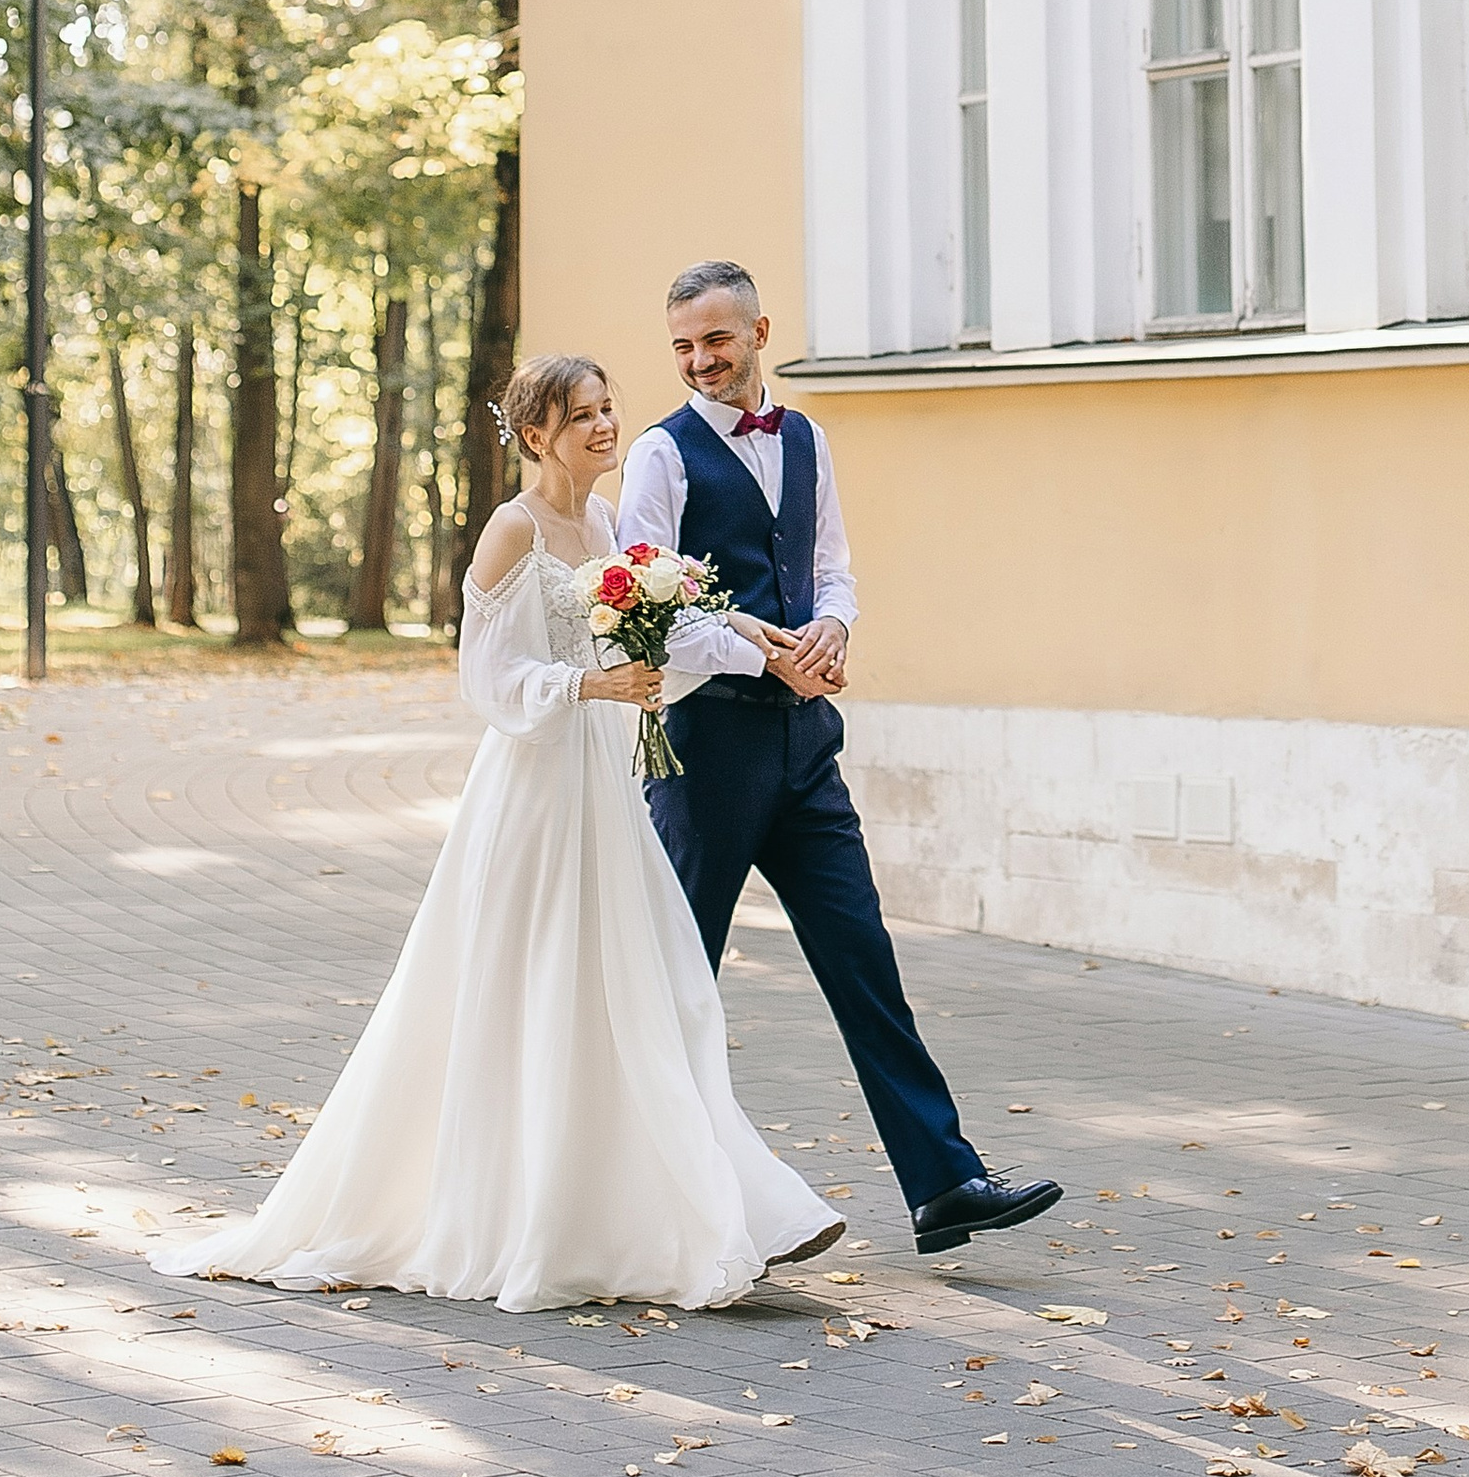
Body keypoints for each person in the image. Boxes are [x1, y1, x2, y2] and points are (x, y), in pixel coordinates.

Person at [147, 353, 838, 1315]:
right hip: (534, 790)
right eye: (582, 416)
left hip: (602, 779)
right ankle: (528, 1218)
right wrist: (588, 687)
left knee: (652, 986)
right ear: (537, 435)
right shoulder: (513, 530)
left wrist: (739, 648)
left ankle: (685, 1206)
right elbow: (488, 678)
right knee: (541, 987)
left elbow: (651, 648)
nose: (604, 428)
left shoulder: (604, 525)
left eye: (607, 409)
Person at [618, 262, 1061, 1259]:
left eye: (716, 341)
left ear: (759, 330)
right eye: (684, 347)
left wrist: (831, 632)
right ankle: (650, 1198)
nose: (700, 362)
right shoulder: (660, 456)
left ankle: (945, 1184)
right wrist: (768, 650)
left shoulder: (807, 438)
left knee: (864, 960)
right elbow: (648, 617)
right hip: (707, 747)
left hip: (805, 748)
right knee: (680, 979)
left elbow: (832, 570)